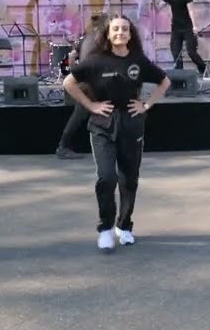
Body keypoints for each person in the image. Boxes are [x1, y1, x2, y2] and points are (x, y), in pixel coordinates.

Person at [63, 15, 172, 252]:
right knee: (106, 178)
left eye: (124, 29)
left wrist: (146, 104)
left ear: (130, 34)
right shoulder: (95, 61)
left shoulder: (138, 60)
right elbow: (68, 82)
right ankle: (105, 229)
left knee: (128, 180)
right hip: (102, 125)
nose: (120, 32)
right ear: (108, 34)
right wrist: (91, 106)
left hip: (131, 124)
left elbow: (164, 82)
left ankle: (124, 226)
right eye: (115, 29)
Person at [56, 14, 107, 159]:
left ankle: (64, 146)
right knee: (80, 115)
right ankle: (63, 147)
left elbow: (71, 56)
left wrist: (74, 72)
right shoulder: (103, 38)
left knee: (82, 114)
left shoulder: (85, 37)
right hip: (94, 83)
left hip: (84, 82)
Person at [160, 0, 206, 74]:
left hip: (188, 27)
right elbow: (159, 6)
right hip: (176, 28)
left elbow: (191, 11)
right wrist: (156, 4)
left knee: (191, 52)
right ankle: (179, 74)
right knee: (176, 52)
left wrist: (194, 26)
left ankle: (203, 68)